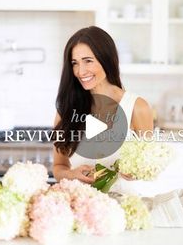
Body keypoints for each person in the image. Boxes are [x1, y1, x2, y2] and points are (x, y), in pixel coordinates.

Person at [53, 26, 153, 184]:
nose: (80, 71)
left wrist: (135, 172)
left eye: (88, 61)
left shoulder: (137, 107)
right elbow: (59, 167)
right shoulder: (66, 108)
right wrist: (72, 175)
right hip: (79, 203)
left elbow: (148, 166)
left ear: (106, 59)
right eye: (75, 63)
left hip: (123, 204)